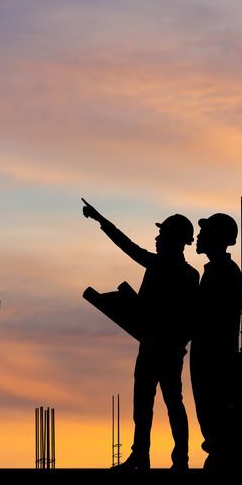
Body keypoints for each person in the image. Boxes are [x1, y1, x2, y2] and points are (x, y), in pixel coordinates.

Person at [82, 200, 199, 470]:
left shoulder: (178, 272)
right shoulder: (180, 272)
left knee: (169, 403)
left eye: (163, 234)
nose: (157, 238)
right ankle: (147, 456)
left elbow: (128, 246)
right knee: (148, 404)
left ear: (176, 240)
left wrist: (101, 220)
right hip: (154, 346)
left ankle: (175, 458)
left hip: (164, 349)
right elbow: (128, 246)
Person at [191, 214, 242, 471]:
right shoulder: (217, 271)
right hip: (209, 355)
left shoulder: (224, 272)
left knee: (215, 416)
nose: (199, 236)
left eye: (205, 231)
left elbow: (212, 316)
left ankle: (220, 470)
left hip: (214, 359)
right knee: (210, 418)